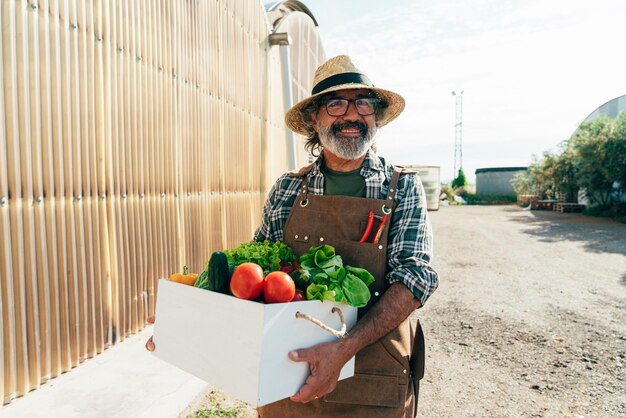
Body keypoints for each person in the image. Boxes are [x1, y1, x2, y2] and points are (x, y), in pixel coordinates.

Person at [254, 55, 438, 418]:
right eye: (335, 103)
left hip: (373, 381)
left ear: (375, 116)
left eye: (363, 103)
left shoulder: (402, 187)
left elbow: (415, 277)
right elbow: (255, 273)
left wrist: (343, 349)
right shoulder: (287, 189)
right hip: (290, 378)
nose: (351, 115)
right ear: (314, 118)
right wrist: (192, 317)